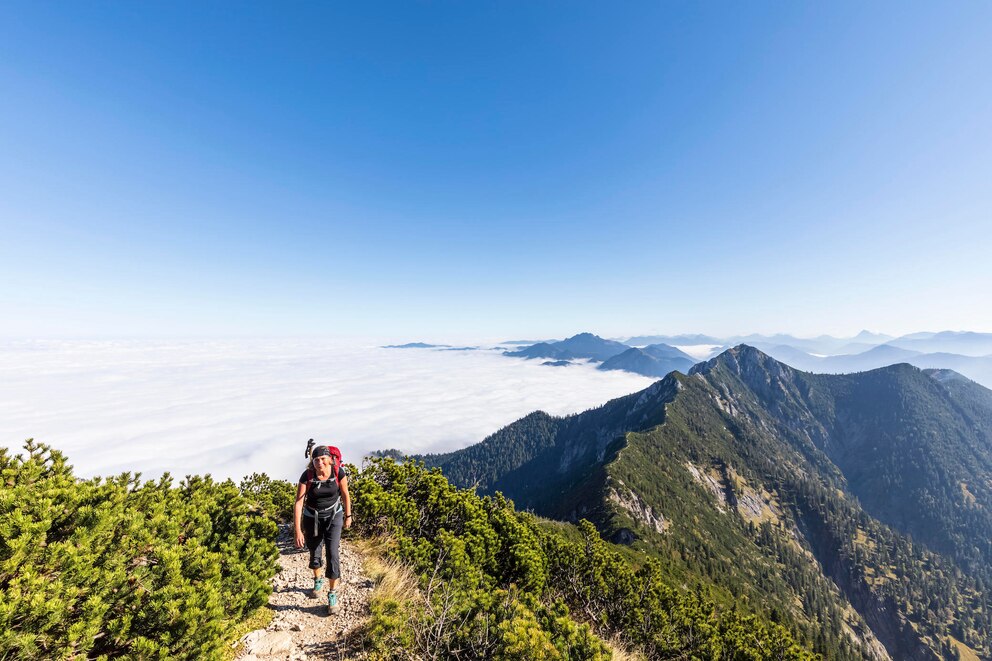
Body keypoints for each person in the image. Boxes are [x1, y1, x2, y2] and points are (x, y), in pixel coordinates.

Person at [294, 445, 352, 615]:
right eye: (316, 459)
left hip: (334, 516)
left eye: (322, 459)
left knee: (333, 553)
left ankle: (332, 594)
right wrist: (298, 530)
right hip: (312, 518)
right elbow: (299, 503)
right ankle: (318, 578)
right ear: (312, 461)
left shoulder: (338, 472)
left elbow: (345, 494)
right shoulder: (308, 476)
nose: (319, 462)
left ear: (330, 459)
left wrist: (348, 516)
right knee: (315, 552)